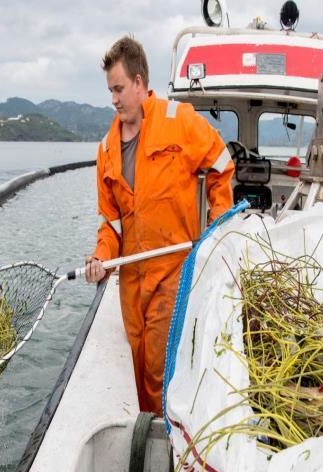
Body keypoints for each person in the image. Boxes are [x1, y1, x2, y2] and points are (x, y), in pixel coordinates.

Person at [86, 36, 234, 415]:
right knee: (137, 366)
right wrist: (101, 257)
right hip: (131, 284)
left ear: (139, 83)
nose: (114, 99)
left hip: (172, 270)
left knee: (156, 364)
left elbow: (221, 165)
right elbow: (111, 226)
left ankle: (163, 438)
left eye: (119, 88)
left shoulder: (178, 121)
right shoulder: (105, 152)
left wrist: (217, 227)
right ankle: (151, 432)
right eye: (110, 91)